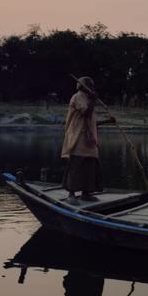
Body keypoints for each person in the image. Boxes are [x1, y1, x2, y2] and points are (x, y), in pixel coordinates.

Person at [60, 76, 114, 204]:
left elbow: (91, 121)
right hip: (78, 136)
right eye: (90, 85)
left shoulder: (88, 99)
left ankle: (86, 193)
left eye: (92, 86)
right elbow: (85, 112)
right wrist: (93, 100)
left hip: (89, 140)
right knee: (77, 164)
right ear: (83, 87)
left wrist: (108, 121)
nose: (92, 88)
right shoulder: (78, 97)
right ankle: (71, 194)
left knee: (90, 166)